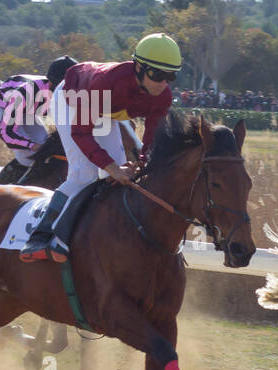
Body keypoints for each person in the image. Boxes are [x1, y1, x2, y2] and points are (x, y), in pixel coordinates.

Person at [19, 34, 181, 263]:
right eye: (157, 74)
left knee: (115, 178)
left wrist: (140, 163)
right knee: (84, 174)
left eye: (171, 76)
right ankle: (41, 236)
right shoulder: (107, 82)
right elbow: (80, 133)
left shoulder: (163, 96)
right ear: (138, 67)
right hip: (71, 99)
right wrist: (112, 166)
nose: (163, 83)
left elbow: (151, 139)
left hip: (107, 109)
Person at [0, 56, 78, 182]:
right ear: (51, 84)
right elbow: (7, 133)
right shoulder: (26, 93)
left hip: (28, 111)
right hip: (2, 108)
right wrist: (31, 145)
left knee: (45, 146)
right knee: (27, 156)